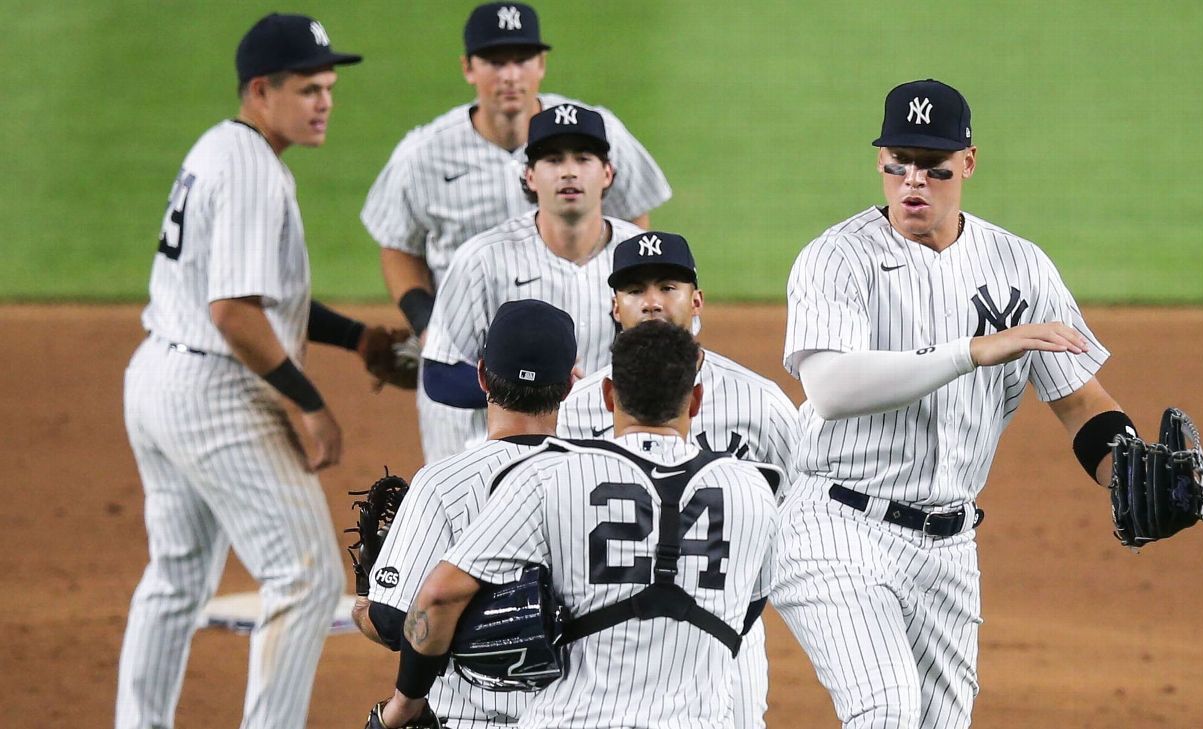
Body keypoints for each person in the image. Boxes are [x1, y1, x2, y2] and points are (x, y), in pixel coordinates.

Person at [774, 79, 1132, 728]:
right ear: (879, 162)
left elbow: (1081, 401)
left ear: (967, 164)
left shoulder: (1020, 266)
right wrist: (972, 350)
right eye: (897, 165)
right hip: (836, 525)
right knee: (885, 709)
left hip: (949, 543)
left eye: (934, 168)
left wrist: (1128, 468)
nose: (914, 182)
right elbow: (831, 388)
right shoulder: (836, 259)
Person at [116, 15, 391, 729]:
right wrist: (309, 402)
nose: (325, 101)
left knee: (177, 578)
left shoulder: (220, 148)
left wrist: (355, 336)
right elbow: (235, 311)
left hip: (156, 378)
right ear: (261, 91)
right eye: (309, 88)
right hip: (212, 392)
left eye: (329, 87)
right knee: (307, 578)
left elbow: (261, 295)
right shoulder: (251, 172)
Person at [376, 321, 781, 729]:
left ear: (607, 396)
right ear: (695, 400)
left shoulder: (551, 476)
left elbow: (440, 597)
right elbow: (745, 614)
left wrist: (404, 705)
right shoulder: (754, 490)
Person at [361, 1, 670, 463]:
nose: (510, 75)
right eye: (494, 61)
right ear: (468, 67)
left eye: (522, 59)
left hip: (581, 359)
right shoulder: (423, 154)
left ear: (541, 64)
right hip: (470, 362)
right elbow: (398, 246)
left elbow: (635, 227)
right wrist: (429, 326)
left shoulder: (596, 130)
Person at [557, 230, 799, 727]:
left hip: (723, 629)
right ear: (614, 307)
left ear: (696, 300)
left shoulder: (763, 403)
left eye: (667, 287)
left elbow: (795, 514)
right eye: (635, 291)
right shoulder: (578, 409)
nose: (651, 303)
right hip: (605, 631)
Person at [352, 299, 577, 728]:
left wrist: (366, 603)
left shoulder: (443, 483)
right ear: (568, 385)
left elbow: (394, 624)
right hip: (579, 716)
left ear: (481, 377)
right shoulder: (601, 479)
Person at [418, 103, 642, 450]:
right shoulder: (483, 258)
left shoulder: (642, 260)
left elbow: (677, 360)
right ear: (530, 176)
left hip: (614, 465)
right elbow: (439, 375)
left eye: (583, 159)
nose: (569, 173)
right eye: (553, 160)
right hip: (505, 464)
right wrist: (533, 390)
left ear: (608, 173)